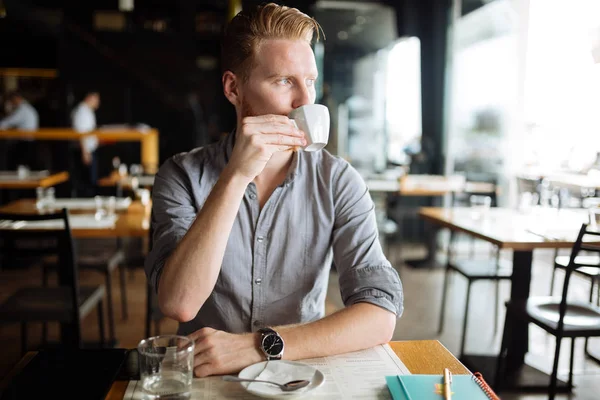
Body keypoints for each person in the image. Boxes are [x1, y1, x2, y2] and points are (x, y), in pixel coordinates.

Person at [145, 3, 403, 378]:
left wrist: (257, 346)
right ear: (234, 88)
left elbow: (380, 315)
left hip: (298, 377)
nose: (305, 101)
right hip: (209, 379)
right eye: (285, 81)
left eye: (310, 81)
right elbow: (180, 304)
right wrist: (235, 177)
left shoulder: (339, 181)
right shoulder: (182, 175)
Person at [0, 91, 40, 170]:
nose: (12, 102)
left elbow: (8, 122)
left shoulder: (23, 109)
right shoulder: (26, 107)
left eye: (12, 100)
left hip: (26, 142)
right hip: (28, 141)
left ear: (18, 98)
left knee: (16, 162)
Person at [70, 92, 100, 194]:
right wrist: (85, 152)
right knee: (86, 183)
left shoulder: (87, 110)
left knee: (90, 181)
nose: (98, 102)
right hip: (84, 151)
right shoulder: (81, 111)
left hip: (88, 150)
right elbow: (81, 134)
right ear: (89, 97)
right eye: (96, 99)